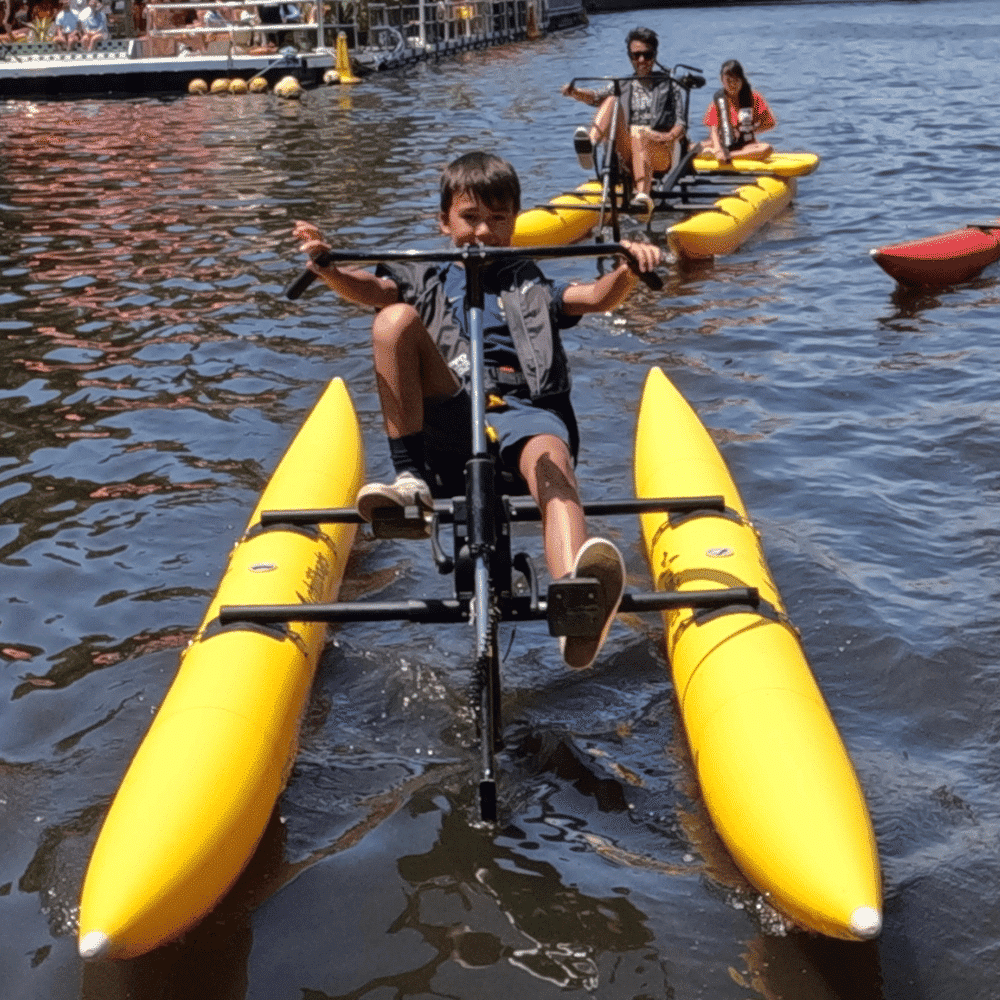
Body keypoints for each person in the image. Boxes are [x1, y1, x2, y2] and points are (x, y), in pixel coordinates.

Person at [294, 151, 663, 670]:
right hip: (448, 413)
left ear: (515, 222)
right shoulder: (419, 275)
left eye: (497, 220)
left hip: (523, 411)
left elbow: (596, 297)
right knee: (393, 320)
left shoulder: (529, 279)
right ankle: (409, 484)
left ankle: (574, 599)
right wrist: (329, 269)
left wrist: (629, 268)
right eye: (470, 219)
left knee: (551, 460)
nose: (483, 232)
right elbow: (370, 290)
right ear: (444, 222)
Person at [561, 27, 686, 221]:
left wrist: (665, 136)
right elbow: (595, 97)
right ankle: (590, 145)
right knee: (611, 100)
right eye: (636, 55)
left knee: (638, 131)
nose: (642, 60)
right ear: (630, 56)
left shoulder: (669, 85)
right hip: (628, 149)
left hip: (660, 150)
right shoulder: (623, 84)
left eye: (647, 55)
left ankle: (643, 196)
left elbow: (681, 123)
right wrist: (574, 92)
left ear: (654, 55)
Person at [701, 59, 776, 164]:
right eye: (728, 81)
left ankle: (728, 156)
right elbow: (714, 131)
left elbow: (769, 123)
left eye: (735, 80)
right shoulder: (719, 101)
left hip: (745, 146)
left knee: (766, 149)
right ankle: (717, 153)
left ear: (742, 80)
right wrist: (718, 150)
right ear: (722, 81)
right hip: (723, 144)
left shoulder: (754, 98)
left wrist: (751, 128)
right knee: (692, 147)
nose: (732, 85)